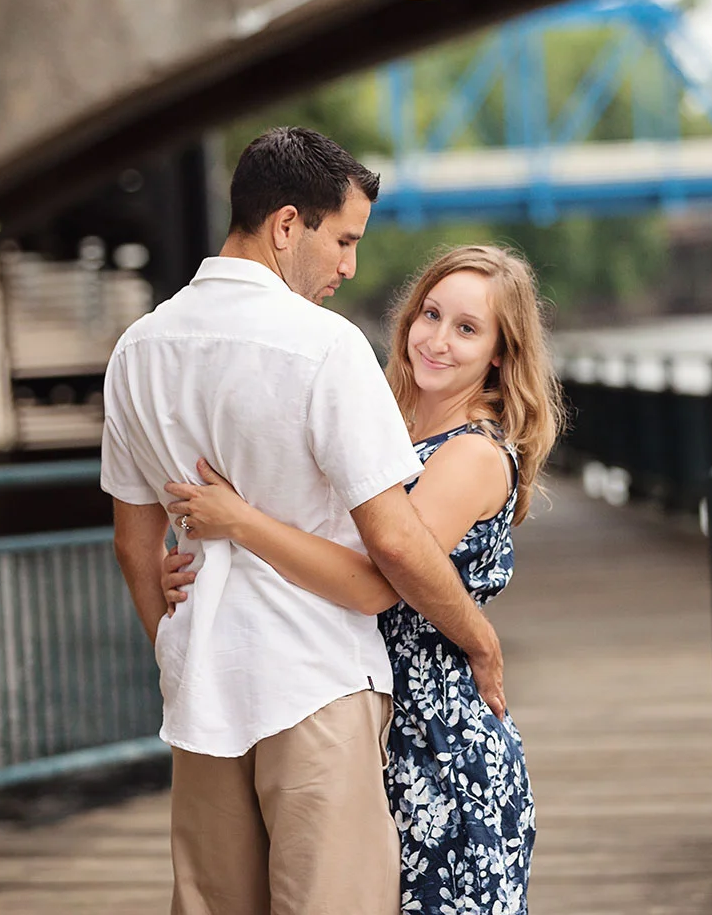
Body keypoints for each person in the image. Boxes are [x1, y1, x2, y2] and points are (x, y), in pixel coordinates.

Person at [98, 127, 506, 915]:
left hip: (202, 696)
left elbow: (131, 541)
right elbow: (392, 540)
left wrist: (174, 646)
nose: (349, 266)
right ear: (287, 225)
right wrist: (480, 638)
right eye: (344, 239)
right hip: (314, 686)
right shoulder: (326, 348)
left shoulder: (137, 350)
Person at [161, 244, 565, 915]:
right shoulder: (391, 428)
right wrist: (200, 554)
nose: (436, 339)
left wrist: (239, 521)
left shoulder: (470, 453)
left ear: (500, 352)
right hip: (369, 718)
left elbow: (375, 579)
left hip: (439, 742)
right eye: (429, 314)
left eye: (467, 328)